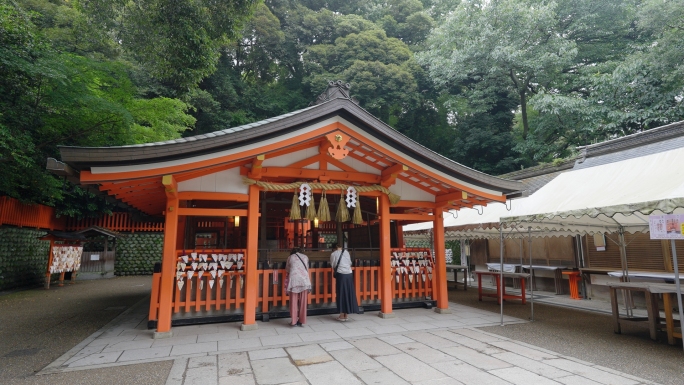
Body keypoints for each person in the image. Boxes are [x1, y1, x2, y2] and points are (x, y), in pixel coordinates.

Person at [330, 243, 359, 321]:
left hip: (341, 274)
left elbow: (333, 264)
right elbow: (350, 263)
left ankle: (342, 315)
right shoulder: (346, 252)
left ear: (334, 248)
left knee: (341, 293)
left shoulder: (333, 254)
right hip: (349, 274)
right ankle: (346, 314)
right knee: (348, 292)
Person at [285, 247, 311, 326]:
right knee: (303, 302)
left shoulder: (290, 257)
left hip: (294, 280)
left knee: (293, 301)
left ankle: (294, 321)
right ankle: (302, 321)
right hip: (304, 280)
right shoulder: (305, 257)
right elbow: (307, 268)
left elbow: (287, 269)